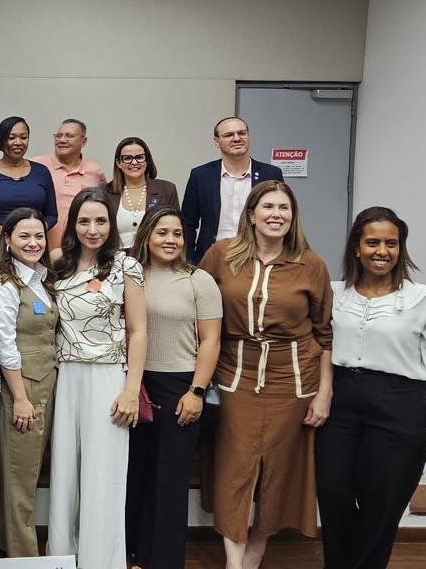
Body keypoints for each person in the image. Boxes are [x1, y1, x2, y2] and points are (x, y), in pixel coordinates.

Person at [197, 180, 332, 569]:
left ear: (293, 217)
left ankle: (255, 553)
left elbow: (324, 334)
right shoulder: (221, 255)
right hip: (235, 377)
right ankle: (233, 561)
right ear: (252, 214)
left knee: (278, 472)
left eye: (284, 208)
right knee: (235, 468)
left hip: (294, 381)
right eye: (268, 207)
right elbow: (197, 307)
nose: (276, 215)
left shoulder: (312, 265)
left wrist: (324, 394)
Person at [316, 207, 426, 569]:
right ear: (356, 248)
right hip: (343, 404)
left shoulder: (424, 298)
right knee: (333, 493)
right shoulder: (335, 294)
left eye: (391, 243)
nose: (382, 251)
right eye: (373, 242)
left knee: (382, 506)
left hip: (402, 406)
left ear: (401, 248)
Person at [46, 187, 147, 569]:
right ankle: (61, 559)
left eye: (101, 221)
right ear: (73, 223)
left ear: (112, 224)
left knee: (103, 475)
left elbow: (138, 330)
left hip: (109, 378)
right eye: (84, 221)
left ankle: (101, 561)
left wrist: (131, 390)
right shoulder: (59, 263)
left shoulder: (126, 266)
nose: (93, 229)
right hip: (67, 376)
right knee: (65, 474)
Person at [124, 207, 221, 569]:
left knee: (170, 479)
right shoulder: (130, 275)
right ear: (146, 235)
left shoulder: (199, 281)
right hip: (134, 383)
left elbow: (211, 341)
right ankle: (130, 554)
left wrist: (197, 391)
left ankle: (163, 560)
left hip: (180, 385)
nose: (170, 240)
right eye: (162, 232)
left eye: (177, 234)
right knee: (134, 474)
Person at [0, 207, 57, 557]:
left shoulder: (42, 278)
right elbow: (4, 344)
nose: (33, 242)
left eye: (39, 236)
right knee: (21, 477)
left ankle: (4, 541)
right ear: (8, 241)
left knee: (27, 472)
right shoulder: (4, 284)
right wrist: (21, 397)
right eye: (24, 236)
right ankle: (25, 557)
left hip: (46, 383)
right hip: (23, 388)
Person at [181, 116, 283, 264]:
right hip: (212, 258)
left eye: (242, 133)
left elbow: (281, 217)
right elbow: (188, 223)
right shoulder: (201, 175)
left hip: (258, 257)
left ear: (249, 136)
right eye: (229, 135)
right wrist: (189, 261)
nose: (237, 138)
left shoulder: (271, 174)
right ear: (217, 142)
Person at [0, 116, 57, 229]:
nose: (18, 142)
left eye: (24, 137)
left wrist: (35, 230)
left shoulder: (42, 172)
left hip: (33, 243)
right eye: (11, 138)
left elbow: (52, 215)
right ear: (1, 140)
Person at [31, 119, 106, 250]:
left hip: (82, 252)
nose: (62, 140)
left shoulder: (95, 171)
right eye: (58, 136)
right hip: (39, 249)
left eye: (69, 136)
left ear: (84, 141)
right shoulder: (36, 166)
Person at [103, 137, 180, 250]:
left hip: (156, 259)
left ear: (147, 161)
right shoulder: (104, 193)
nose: (134, 162)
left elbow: (177, 228)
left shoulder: (167, 189)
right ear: (118, 163)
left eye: (139, 157)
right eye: (127, 158)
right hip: (116, 260)